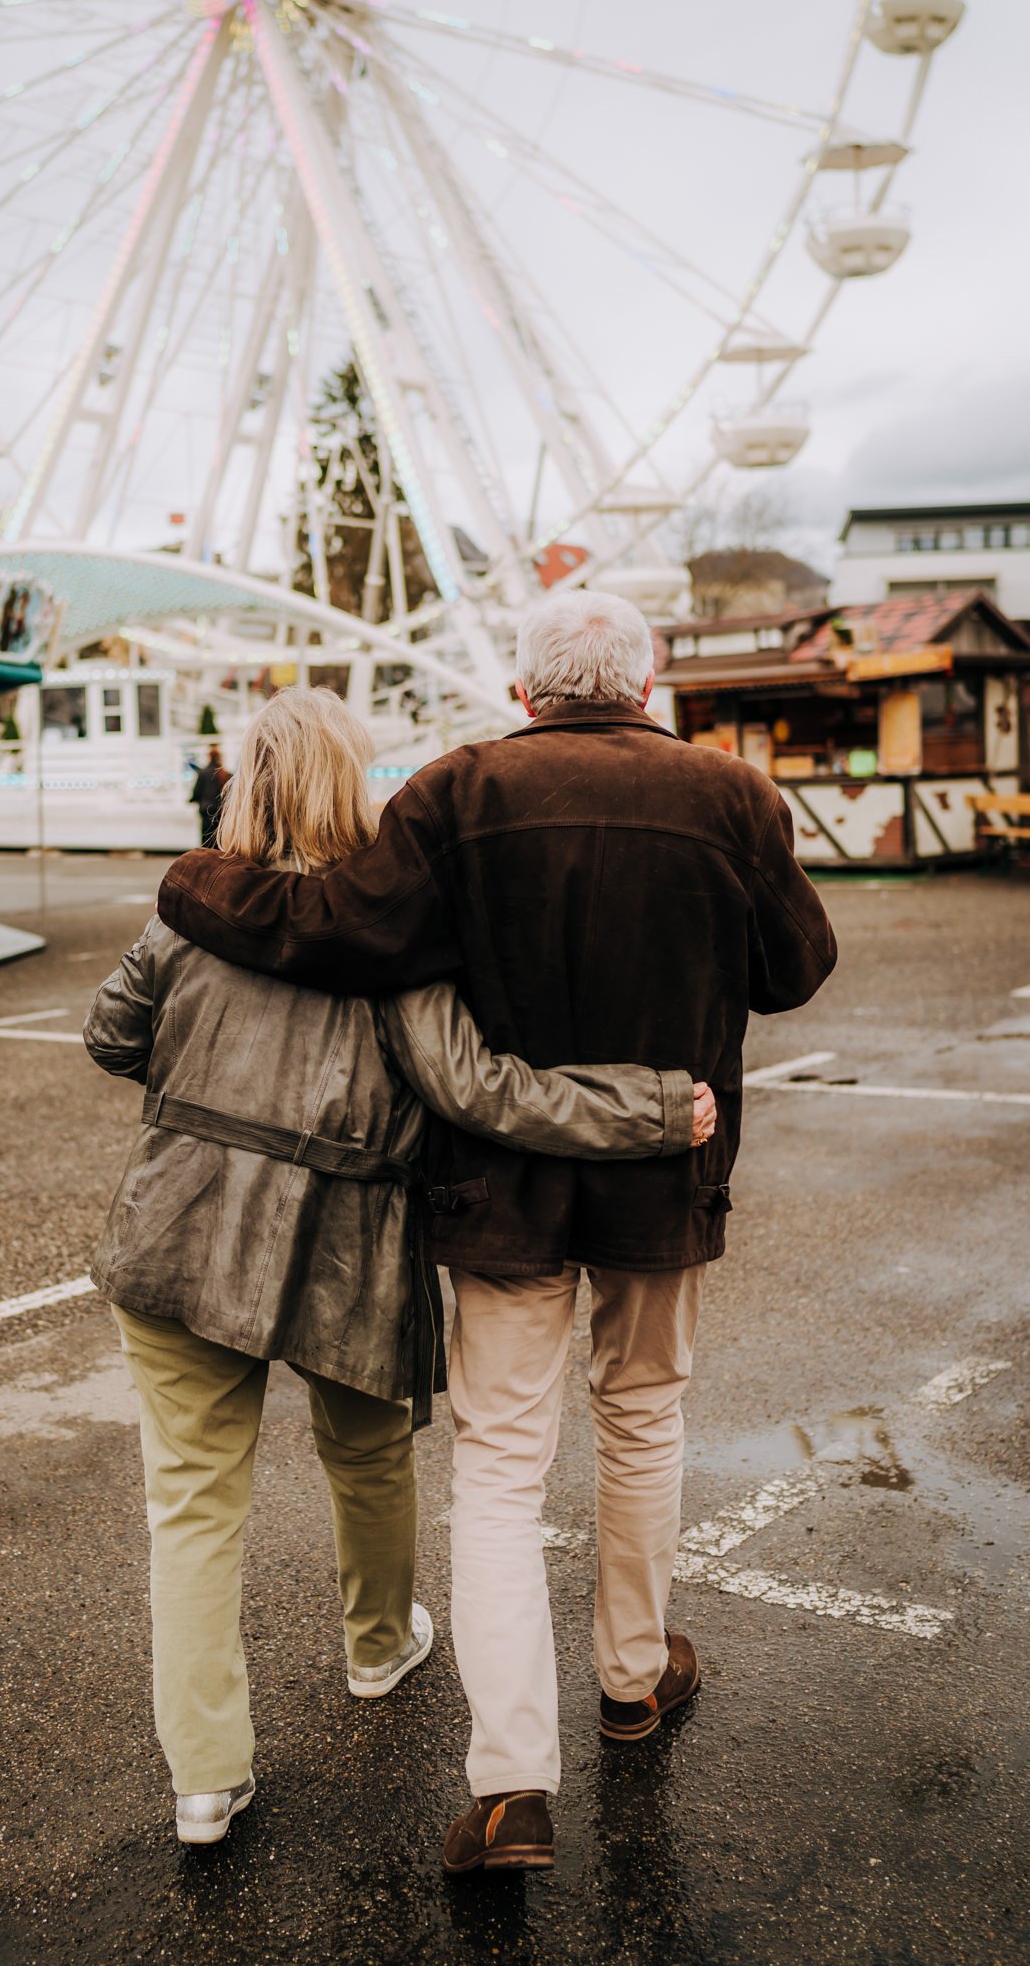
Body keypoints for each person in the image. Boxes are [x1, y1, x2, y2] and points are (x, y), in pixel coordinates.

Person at [157, 593, 837, 1875]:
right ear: (647, 680)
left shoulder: (455, 793)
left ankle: (511, 1778)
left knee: (502, 1471)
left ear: (523, 692)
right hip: (661, 1172)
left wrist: (196, 877)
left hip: (498, 1194)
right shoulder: (731, 797)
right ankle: (634, 1679)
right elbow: (795, 964)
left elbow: (334, 933)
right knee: (643, 1419)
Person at [84, 686, 716, 1850]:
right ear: (356, 781)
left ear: (240, 780)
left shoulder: (186, 912)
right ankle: (378, 1645)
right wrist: (652, 1103)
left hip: (173, 1227)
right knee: (369, 1458)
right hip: (346, 1243)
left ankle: (205, 1782)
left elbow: (110, 1035)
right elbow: (481, 1090)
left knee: (191, 1507)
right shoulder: (395, 939)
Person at [191, 743, 229, 848]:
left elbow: (196, 793)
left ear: (208, 756)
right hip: (221, 813)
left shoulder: (203, 773)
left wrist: (191, 799)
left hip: (206, 813)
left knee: (206, 844)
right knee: (218, 842)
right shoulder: (226, 774)